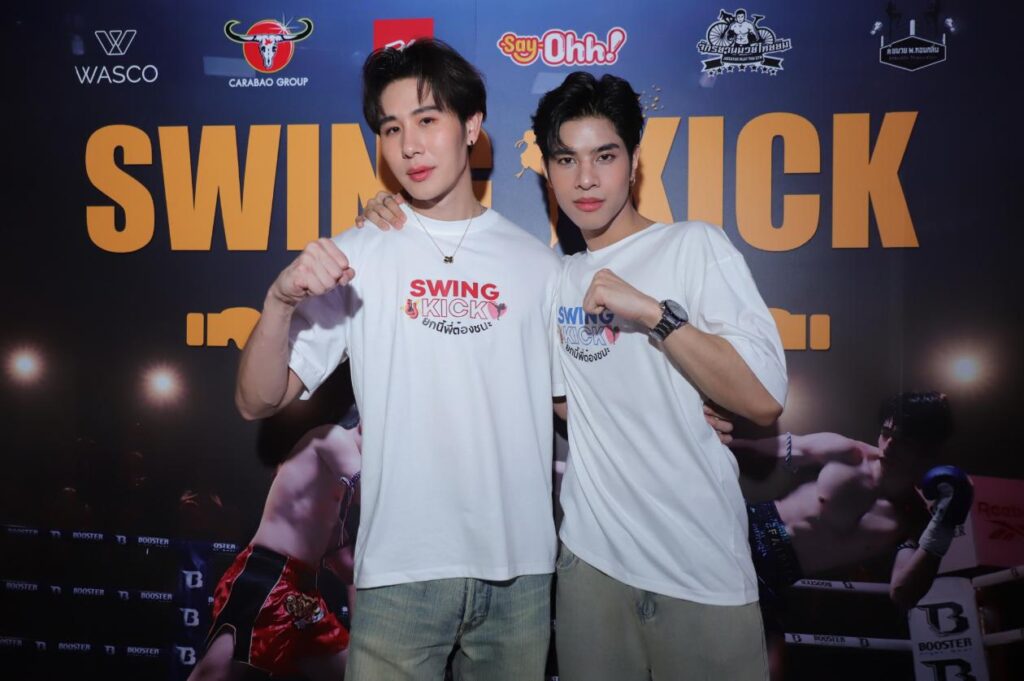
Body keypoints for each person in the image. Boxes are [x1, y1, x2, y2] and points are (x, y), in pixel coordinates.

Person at [235, 39, 564, 681]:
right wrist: (278, 301)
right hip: (397, 575)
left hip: (519, 577)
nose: (409, 145)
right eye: (391, 128)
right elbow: (257, 400)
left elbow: (572, 403)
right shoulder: (359, 254)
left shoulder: (539, 266)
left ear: (471, 126)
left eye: (427, 119)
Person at [536, 72, 785, 681]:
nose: (586, 179)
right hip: (592, 566)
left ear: (633, 163)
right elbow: (567, 404)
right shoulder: (557, 279)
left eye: (605, 156)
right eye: (567, 160)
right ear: (548, 171)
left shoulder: (694, 246)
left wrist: (654, 314)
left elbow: (762, 400)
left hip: (699, 564)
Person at [732, 391, 973, 609]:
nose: (889, 446)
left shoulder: (913, 519)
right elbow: (752, 448)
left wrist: (943, 528)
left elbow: (903, 595)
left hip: (775, 575)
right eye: (886, 433)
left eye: (903, 441)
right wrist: (716, 434)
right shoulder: (846, 452)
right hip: (744, 532)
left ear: (926, 450)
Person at [188, 410, 362, 681]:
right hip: (266, 577)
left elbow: (350, 571)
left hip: (302, 595)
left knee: (358, 673)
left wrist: (368, 634)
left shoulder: (329, 504)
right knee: (213, 675)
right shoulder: (333, 436)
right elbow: (372, 490)